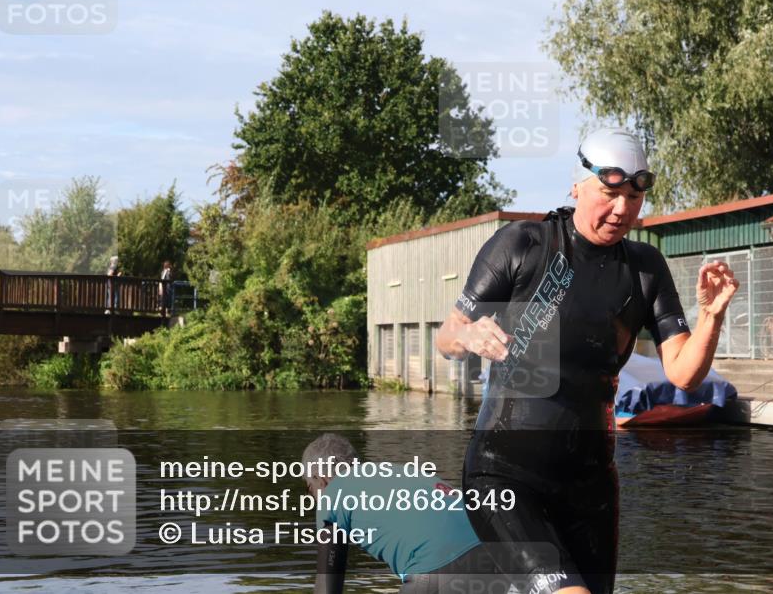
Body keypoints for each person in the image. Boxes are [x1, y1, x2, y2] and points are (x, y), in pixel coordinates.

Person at [435, 128, 738, 594]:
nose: (621, 210)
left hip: (590, 488)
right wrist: (469, 333)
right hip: (504, 475)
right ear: (577, 185)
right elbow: (446, 337)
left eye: (633, 198)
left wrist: (711, 318)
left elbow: (682, 373)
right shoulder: (523, 244)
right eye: (609, 194)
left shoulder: (645, 269)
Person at [305, 433, 500, 594]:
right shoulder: (397, 471)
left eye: (309, 487)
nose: (312, 495)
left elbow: (327, 588)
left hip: (437, 567)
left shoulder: (333, 493)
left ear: (320, 479)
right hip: (496, 557)